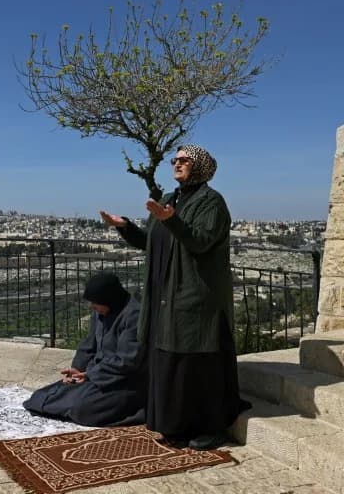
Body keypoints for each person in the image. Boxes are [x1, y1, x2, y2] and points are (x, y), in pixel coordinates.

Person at [99, 144, 245, 450]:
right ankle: (175, 426)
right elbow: (151, 242)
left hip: (195, 295)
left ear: (200, 166)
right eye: (175, 160)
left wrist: (171, 220)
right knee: (170, 361)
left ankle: (210, 427)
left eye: (184, 160)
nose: (177, 164)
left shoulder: (212, 203)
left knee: (196, 363)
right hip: (165, 294)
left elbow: (201, 241)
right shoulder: (169, 199)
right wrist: (125, 227)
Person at [23, 273, 146, 427]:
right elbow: (89, 344)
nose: (92, 307)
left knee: (82, 409)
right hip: (95, 376)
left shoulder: (134, 316)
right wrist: (77, 369)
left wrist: (90, 374)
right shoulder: (101, 311)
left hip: (122, 382)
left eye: (95, 303)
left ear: (110, 299)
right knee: (41, 396)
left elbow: (127, 361)